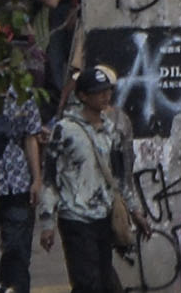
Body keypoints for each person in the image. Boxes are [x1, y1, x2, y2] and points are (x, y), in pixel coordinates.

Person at [44, 68, 130, 293]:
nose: (105, 96)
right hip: (75, 217)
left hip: (103, 216)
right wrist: (47, 222)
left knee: (105, 281)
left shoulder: (110, 131)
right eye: (98, 92)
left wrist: (134, 211)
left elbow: (119, 177)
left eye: (107, 91)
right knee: (86, 283)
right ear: (82, 96)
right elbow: (50, 177)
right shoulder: (64, 131)